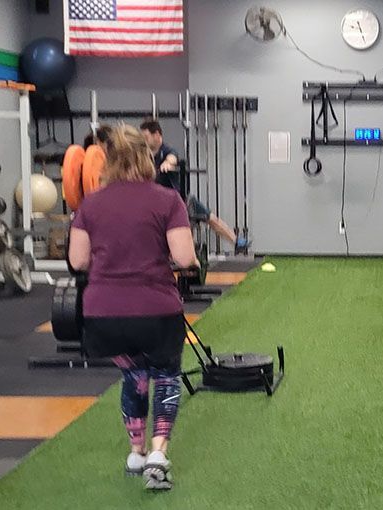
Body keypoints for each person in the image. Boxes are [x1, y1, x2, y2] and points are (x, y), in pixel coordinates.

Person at [69, 124, 197, 489]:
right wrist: (184, 262)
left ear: (108, 159)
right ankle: (158, 454)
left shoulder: (90, 204)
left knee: (134, 376)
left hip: (103, 316)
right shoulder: (168, 200)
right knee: (165, 376)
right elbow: (184, 257)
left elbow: (78, 261)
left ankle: (136, 453)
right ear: (147, 157)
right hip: (156, 312)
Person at [139, 119, 251, 254]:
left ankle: (236, 241)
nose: (144, 141)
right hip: (157, 202)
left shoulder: (167, 151)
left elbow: (172, 158)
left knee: (211, 218)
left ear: (157, 135)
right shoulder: (144, 155)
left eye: (146, 137)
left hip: (179, 200)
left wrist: (168, 164)